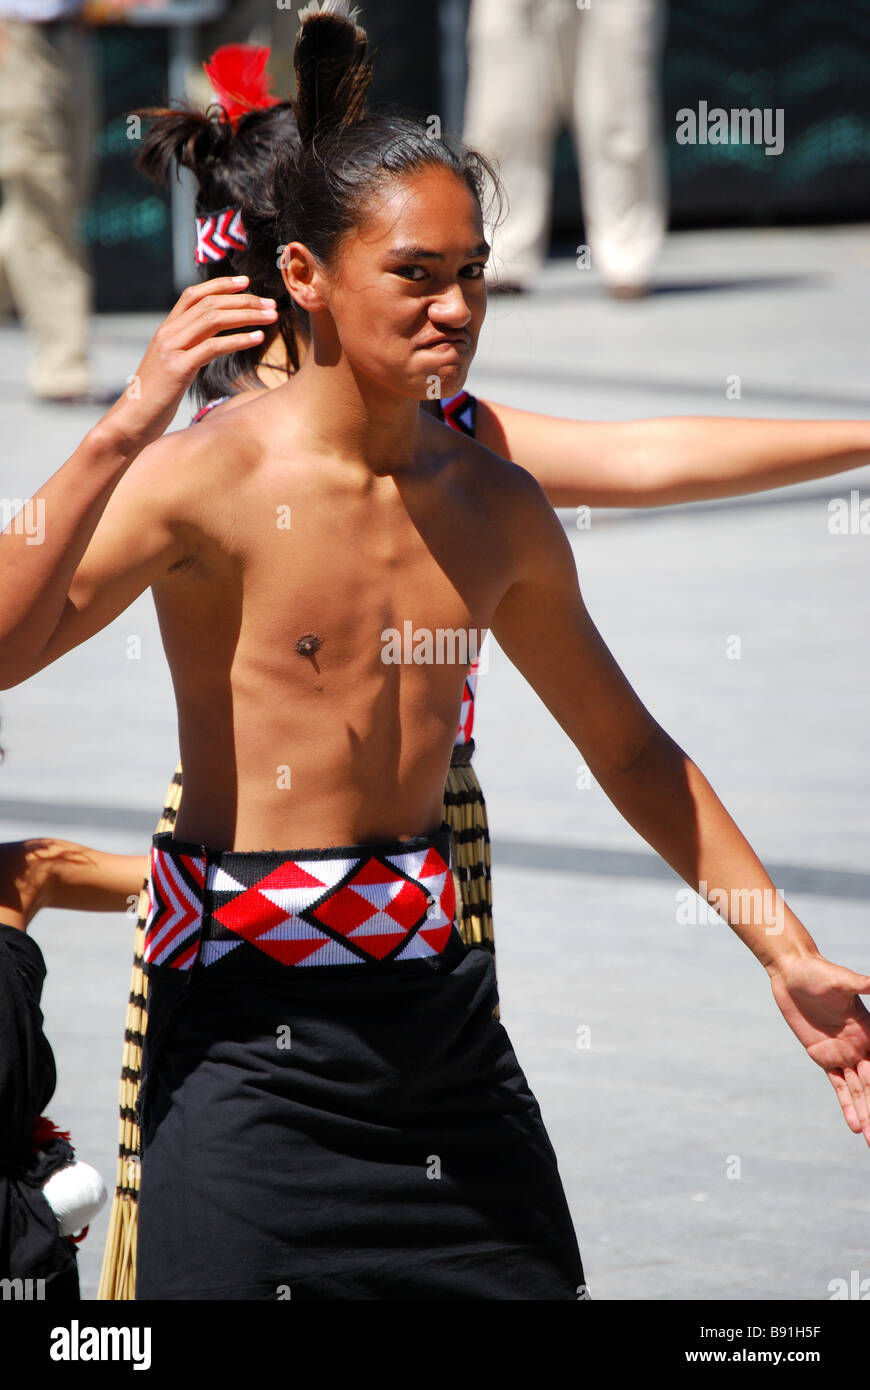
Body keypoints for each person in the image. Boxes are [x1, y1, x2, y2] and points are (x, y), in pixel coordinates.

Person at [6, 8, 870, 1299]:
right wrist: (114, 431)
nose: (458, 306)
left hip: (440, 1024)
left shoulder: (489, 496)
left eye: (471, 270)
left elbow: (628, 745)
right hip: (243, 1036)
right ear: (302, 276)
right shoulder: (200, 479)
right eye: (416, 274)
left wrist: (780, 944)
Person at [0, 0, 99, 401]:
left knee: (57, 205)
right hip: (18, 43)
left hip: (73, 40)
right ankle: (63, 365)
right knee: (44, 211)